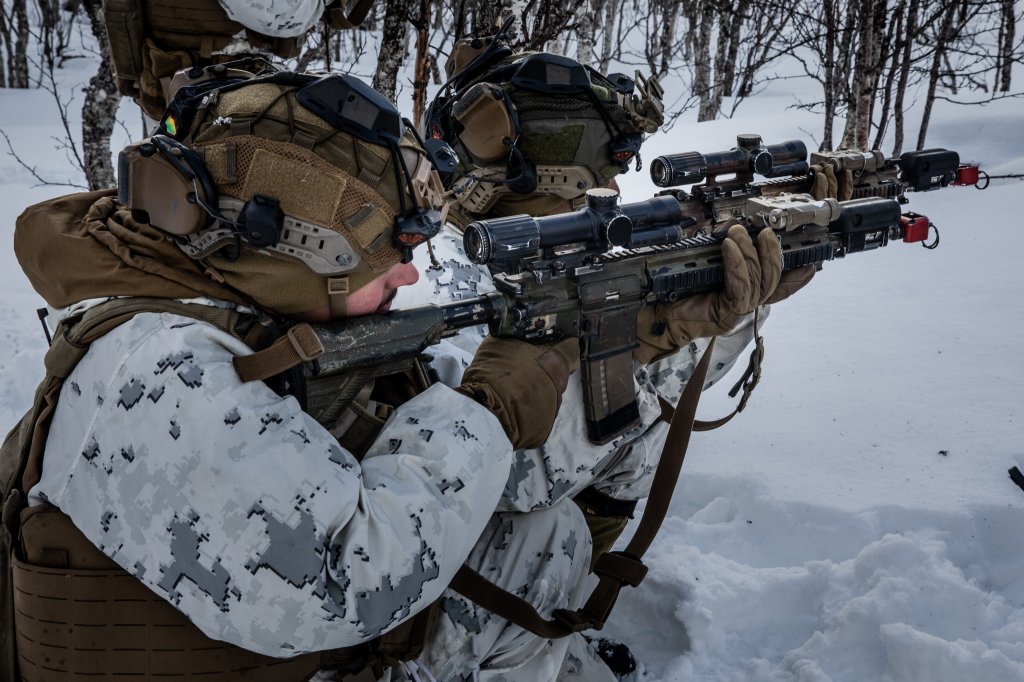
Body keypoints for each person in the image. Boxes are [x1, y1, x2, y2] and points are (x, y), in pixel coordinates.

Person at [1, 67, 595, 682]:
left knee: (544, 535)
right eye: (384, 259)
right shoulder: (156, 369)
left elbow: (378, 399)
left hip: (251, 644)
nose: (409, 275)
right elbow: (351, 583)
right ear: (294, 260)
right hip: (307, 621)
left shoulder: (235, 300)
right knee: (535, 550)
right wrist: (487, 414)